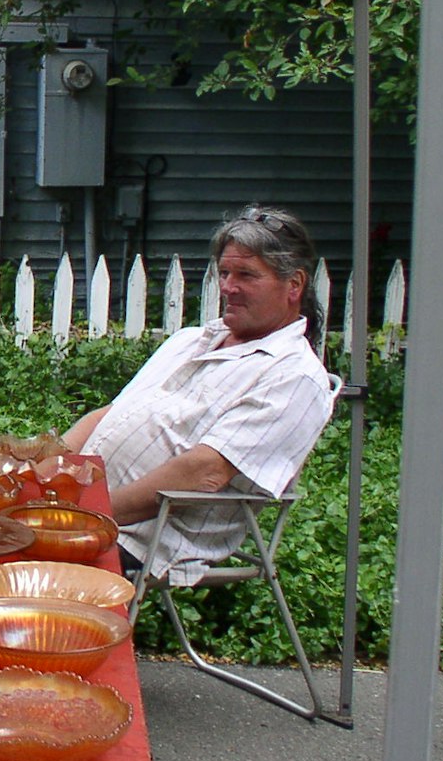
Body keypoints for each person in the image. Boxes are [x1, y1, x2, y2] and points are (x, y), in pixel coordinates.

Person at [60, 205, 334, 585]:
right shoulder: (189, 340)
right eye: (224, 273)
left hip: (141, 538)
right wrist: (40, 471)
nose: (228, 287)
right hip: (82, 509)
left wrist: (86, 515)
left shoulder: (294, 377)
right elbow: (110, 414)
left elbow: (204, 473)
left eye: (246, 275)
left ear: (294, 285)